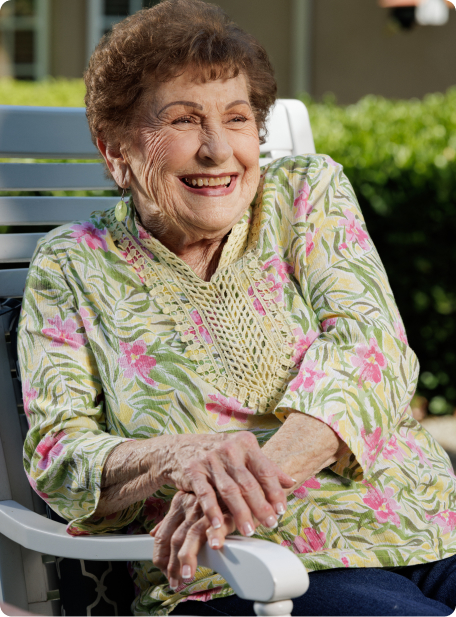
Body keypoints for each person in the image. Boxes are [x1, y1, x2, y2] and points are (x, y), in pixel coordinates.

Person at [18, 1, 456, 615]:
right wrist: (181, 455)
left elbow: (371, 349)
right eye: (184, 120)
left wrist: (238, 485)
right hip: (244, 568)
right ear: (114, 148)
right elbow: (58, 455)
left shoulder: (305, 191)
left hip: (428, 524)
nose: (218, 149)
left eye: (238, 118)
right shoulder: (73, 265)